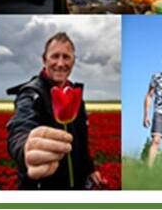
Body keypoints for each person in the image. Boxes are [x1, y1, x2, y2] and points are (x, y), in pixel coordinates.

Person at [6, 32, 104, 189]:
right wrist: (26, 148)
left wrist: (90, 169)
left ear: (73, 61)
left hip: (77, 186)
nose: (60, 63)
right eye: (54, 56)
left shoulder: (74, 93)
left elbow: (81, 139)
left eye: (66, 57)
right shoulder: (31, 93)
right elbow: (20, 125)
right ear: (44, 60)